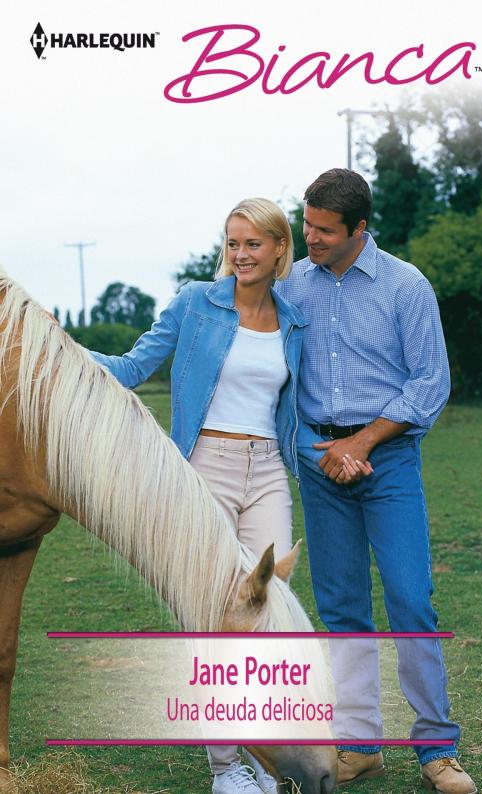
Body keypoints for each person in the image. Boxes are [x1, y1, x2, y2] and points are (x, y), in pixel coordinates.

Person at [89, 197, 312, 794]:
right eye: (232, 243)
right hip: (203, 468)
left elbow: (298, 409)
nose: (240, 255)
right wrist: (58, 352)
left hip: (266, 470)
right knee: (216, 617)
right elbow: (134, 367)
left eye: (253, 244)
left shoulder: (293, 320)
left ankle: (264, 758)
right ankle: (225, 768)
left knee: (267, 613)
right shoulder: (196, 302)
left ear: (279, 249)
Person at [274, 169, 477, 794]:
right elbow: (281, 375)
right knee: (341, 610)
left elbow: (429, 383)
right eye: (305, 224)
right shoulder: (293, 286)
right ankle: (360, 746)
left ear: (360, 229)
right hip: (318, 457)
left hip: (386, 459)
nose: (309, 238)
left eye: (323, 231)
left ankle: (436, 749)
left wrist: (361, 444)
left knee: (410, 599)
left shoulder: (406, 285)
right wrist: (321, 449)